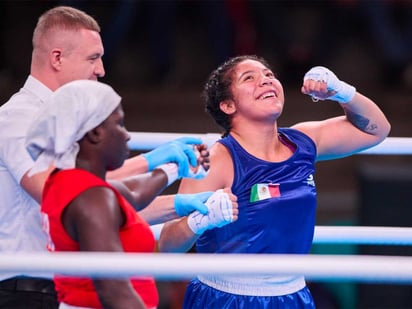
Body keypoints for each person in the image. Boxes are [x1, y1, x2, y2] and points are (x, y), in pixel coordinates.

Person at [0, 5, 226, 308]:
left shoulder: (73, 124)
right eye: (93, 58)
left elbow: (107, 205)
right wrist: (154, 161)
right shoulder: (17, 118)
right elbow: (64, 191)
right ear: (57, 58)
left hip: (62, 288)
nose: (102, 69)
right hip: (26, 290)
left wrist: (178, 200)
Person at [158, 55, 391, 308]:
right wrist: (198, 221)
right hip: (226, 297)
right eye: (250, 78)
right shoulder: (218, 159)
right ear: (227, 105)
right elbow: (168, 246)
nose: (266, 81)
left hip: (293, 293)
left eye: (269, 75)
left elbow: (377, 129)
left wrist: (341, 92)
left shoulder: (304, 140)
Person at [24, 79, 238, 309]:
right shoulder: (92, 199)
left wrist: (176, 168)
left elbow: (133, 193)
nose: (127, 135)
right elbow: (114, 291)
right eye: (120, 124)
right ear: (96, 133)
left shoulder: (67, 181)